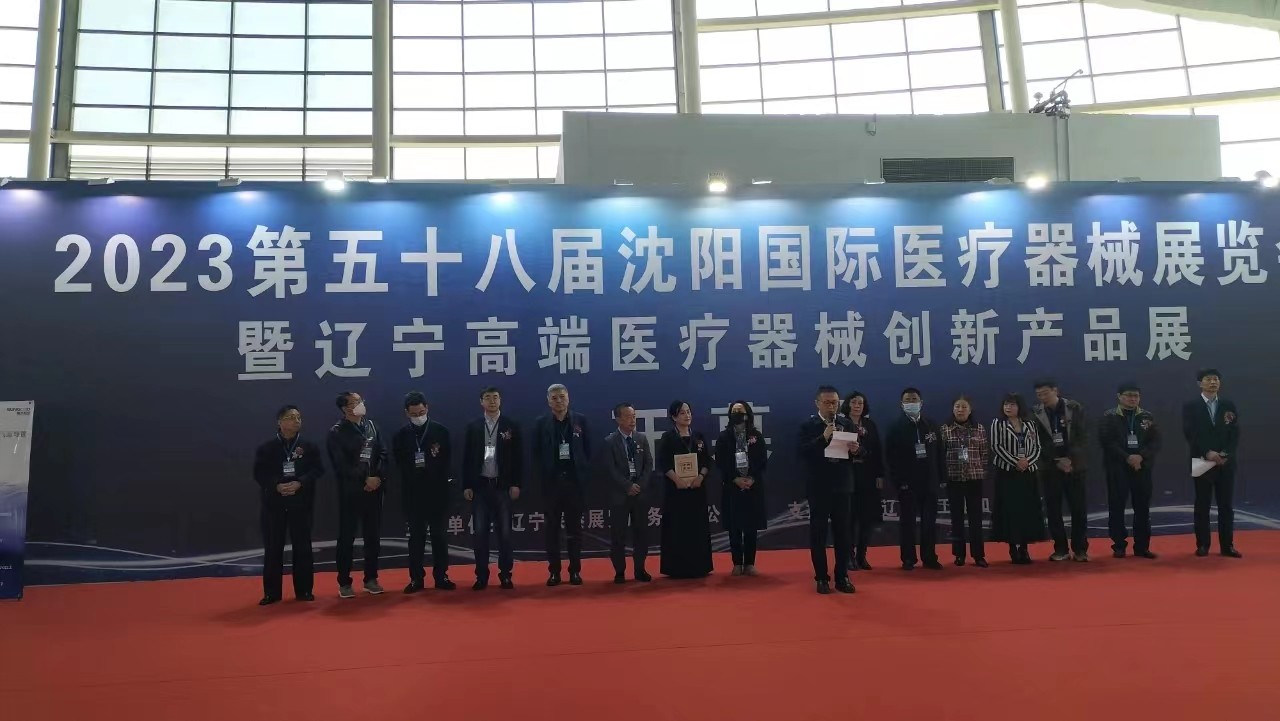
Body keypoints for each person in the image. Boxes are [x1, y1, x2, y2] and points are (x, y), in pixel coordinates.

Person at [252, 404, 322, 605]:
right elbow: (259, 473)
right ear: (280, 422)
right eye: (291, 417)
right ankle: (271, 593)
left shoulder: (309, 446)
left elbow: (318, 470)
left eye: (298, 417)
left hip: (301, 502)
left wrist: (301, 482)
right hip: (274, 504)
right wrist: (276, 485)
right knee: (273, 547)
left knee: (303, 547)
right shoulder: (267, 448)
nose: (296, 421)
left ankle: (304, 590)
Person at [392, 391, 456, 593]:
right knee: (416, 538)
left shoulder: (441, 431)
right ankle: (416, 579)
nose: (418, 416)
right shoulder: (401, 436)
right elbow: (399, 464)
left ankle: (441, 576)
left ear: (427, 408)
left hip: (437, 494)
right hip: (413, 495)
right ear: (406, 413)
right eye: (414, 414)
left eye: (421, 412)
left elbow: (448, 462)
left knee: (439, 537)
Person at [327, 391, 388, 599]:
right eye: (355, 402)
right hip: (351, 492)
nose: (361, 404)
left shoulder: (372, 426)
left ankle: (371, 578)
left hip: (374, 490)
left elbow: (383, 453)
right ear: (345, 409)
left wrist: (377, 476)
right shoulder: (337, 432)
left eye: (361, 400)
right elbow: (341, 465)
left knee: (373, 536)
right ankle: (344, 582)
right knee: (347, 537)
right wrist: (364, 479)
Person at [796, 386, 856, 594]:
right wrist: (823, 437)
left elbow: (860, 453)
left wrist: (857, 450)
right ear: (817, 403)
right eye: (827, 402)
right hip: (819, 487)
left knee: (843, 534)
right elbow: (802, 452)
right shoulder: (808, 425)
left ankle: (842, 576)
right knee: (818, 533)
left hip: (842, 485)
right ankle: (821, 577)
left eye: (835, 402)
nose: (832, 406)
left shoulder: (846, 423)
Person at [462, 386, 523, 590]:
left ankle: (505, 575)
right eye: (487, 398)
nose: (492, 401)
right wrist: (467, 485)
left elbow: (519, 458)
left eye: (495, 397)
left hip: (502, 487)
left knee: (505, 534)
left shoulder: (511, 425)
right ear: (481, 402)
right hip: (480, 487)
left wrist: (516, 483)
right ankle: (481, 576)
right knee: (480, 534)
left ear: (500, 400)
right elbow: (466, 458)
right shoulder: (474, 426)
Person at [533, 383, 593, 587]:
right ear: (548, 401)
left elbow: (588, 451)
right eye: (554, 398)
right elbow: (535, 454)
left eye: (562, 397)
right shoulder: (541, 423)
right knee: (552, 531)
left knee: (574, 530)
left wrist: (583, 476)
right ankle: (554, 572)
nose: (559, 401)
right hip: (552, 485)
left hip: (574, 484)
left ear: (568, 398)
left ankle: (575, 571)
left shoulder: (580, 421)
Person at [884, 387, 947, 571]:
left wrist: (942, 477)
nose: (911, 403)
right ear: (902, 404)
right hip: (907, 484)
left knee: (929, 523)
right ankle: (908, 558)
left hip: (930, 482)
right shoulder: (895, 428)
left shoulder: (932, 425)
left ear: (921, 403)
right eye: (908, 400)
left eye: (914, 399)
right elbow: (891, 458)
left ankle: (929, 557)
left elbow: (940, 453)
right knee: (908, 523)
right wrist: (899, 482)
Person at [1181, 368, 1242, 558]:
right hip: (1201, 459)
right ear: (1200, 383)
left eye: (1216, 379)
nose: (1213, 382)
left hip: (1225, 462)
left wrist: (1224, 454)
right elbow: (1190, 433)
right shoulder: (1191, 406)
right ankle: (1203, 545)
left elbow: (1234, 432)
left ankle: (1227, 546)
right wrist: (1207, 452)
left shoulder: (1228, 404)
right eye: (1208, 379)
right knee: (1202, 505)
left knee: (1226, 506)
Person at [1098, 382, 1161, 559]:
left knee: (1143, 508)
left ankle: (1142, 547)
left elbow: (1155, 441)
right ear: (1119, 397)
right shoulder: (1109, 416)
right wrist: (1128, 457)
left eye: (1136, 396)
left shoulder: (1147, 416)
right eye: (1129, 395)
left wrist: (1141, 456)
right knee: (1117, 507)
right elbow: (1107, 442)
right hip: (1117, 467)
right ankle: (1119, 545)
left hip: (1142, 467)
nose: (1133, 399)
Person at [1032, 379, 1090, 562]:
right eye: (1039, 395)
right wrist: (1057, 460)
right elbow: (1038, 442)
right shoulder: (1035, 413)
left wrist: (1070, 458)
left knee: (1078, 509)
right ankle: (1060, 549)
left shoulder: (1074, 408)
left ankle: (1080, 549)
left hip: (1075, 466)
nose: (1042, 397)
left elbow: (1082, 436)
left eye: (1045, 393)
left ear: (1055, 390)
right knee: (1053, 510)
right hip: (1050, 468)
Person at [656, 400, 714, 579]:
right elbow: (663, 463)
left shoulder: (698, 436)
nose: (687, 415)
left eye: (688, 412)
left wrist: (700, 477)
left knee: (697, 528)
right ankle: (677, 568)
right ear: (674, 417)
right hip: (676, 491)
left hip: (697, 490)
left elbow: (707, 461)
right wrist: (677, 480)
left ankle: (700, 566)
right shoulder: (668, 437)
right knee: (677, 528)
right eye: (682, 413)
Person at [597, 402, 654, 584]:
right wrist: (627, 485)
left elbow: (648, 464)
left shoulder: (641, 438)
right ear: (618, 419)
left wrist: (640, 485)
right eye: (628, 416)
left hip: (640, 493)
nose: (632, 420)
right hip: (619, 495)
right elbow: (610, 469)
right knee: (618, 535)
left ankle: (640, 569)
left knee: (641, 534)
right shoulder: (609, 441)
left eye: (634, 416)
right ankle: (620, 571)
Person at [989, 393, 1048, 564]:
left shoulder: (1030, 424)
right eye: (1006, 404)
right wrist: (1016, 461)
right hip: (1007, 473)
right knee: (1010, 511)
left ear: (1019, 406)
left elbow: (1037, 446)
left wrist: (1027, 461)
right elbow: (996, 446)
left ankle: (1024, 547)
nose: (1008, 408)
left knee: (1026, 510)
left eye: (1012, 404)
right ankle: (1012, 547)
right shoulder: (998, 423)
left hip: (1028, 473)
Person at [714, 400, 768, 576]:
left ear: (747, 414)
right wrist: (734, 478)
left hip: (753, 485)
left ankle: (750, 563)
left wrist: (752, 478)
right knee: (734, 526)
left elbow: (762, 460)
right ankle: (737, 562)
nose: (737, 414)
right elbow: (720, 461)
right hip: (732, 485)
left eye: (741, 411)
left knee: (751, 526)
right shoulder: (724, 436)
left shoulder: (756, 435)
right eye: (734, 411)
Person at [940, 396, 989, 567]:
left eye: (964, 407)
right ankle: (959, 554)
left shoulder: (979, 428)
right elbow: (941, 454)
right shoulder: (945, 429)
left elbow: (985, 453)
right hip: (954, 478)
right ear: (953, 409)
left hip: (974, 478)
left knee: (976, 518)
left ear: (970, 409)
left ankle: (978, 555)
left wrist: (981, 470)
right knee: (957, 518)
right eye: (957, 406)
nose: (960, 410)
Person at [840, 391, 883, 571]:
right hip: (848, 475)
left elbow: (878, 451)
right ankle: (848, 556)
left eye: (860, 403)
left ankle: (862, 556)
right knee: (849, 519)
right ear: (847, 405)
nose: (857, 406)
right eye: (854, 402)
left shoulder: (870, 425)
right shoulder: (840, 424)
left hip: (868, 475)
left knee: (866, 519)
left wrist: (880, 475)